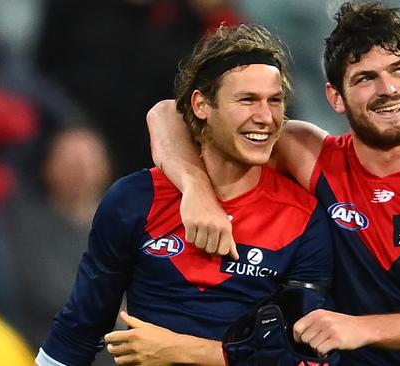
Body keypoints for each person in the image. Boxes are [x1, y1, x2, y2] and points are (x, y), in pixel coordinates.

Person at [147, 2, 400, 365]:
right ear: (335, 98)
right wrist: (195, 190)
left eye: (398, 70)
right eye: (365, 78)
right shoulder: (314, 157)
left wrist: (360, 329)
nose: (388, 89)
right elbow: (167, 115)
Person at [36, 24, 333, 366]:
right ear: (202, 105)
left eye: (275, 100)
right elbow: (79, 329)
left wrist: (182, 350)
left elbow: (306, 356)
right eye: (247, 99)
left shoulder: (303, 218)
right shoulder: (135, 200)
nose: (265, 117)